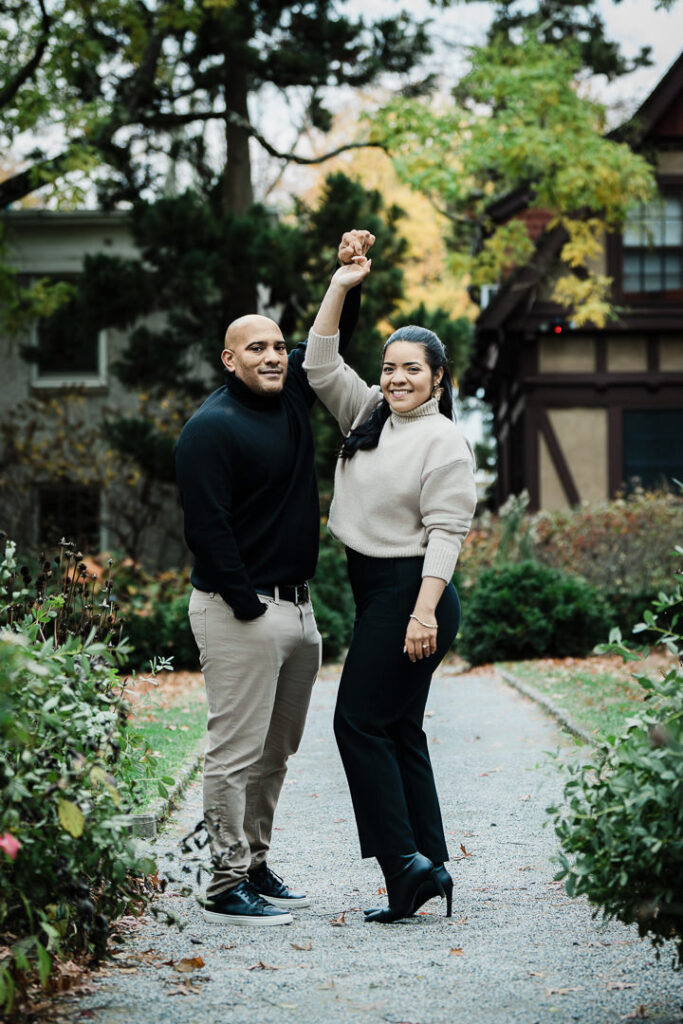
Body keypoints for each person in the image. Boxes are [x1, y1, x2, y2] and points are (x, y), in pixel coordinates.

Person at [174, 230, 375, 927]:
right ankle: (223, 884)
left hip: (298, 611)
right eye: (253, 348)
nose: (269, 355)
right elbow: (208, 530)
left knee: (275, 753)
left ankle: (253, 863)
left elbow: (327, 338)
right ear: (228, 360)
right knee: (234, 753)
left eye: (274, 346)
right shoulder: (209, 430)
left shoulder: (291, 394)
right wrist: (247, 606)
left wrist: (345, 278)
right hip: (240, 612)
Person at [303, 255, 477, 923]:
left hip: (413, 592)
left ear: (438, 378)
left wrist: (423, 612)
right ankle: (425, 863)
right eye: (388, 366)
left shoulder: (443, 441)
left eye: (412, 367)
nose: (396, 376)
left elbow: (446, 532)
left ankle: (402, 866)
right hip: (378, 587)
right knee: (398, 728)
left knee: (358, 723)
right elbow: (319, 364)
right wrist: (341, 286)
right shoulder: (370, 413)